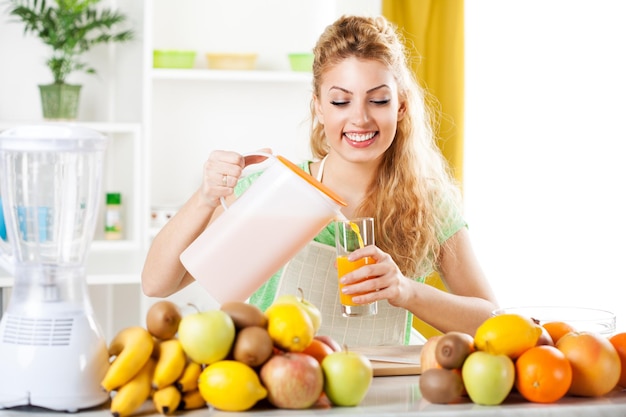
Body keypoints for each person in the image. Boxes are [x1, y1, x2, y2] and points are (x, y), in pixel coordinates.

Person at [142, 15, 498, 346]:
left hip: (386, 397)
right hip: (283, 396)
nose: (359, 118)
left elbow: (492, 322)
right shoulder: (275, 192)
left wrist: (406, 290)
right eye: (341, 101)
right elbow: (158, 283)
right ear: (318, 107)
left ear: (401, 107)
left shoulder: (428, 203)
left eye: (378, 99)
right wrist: (205, 198)